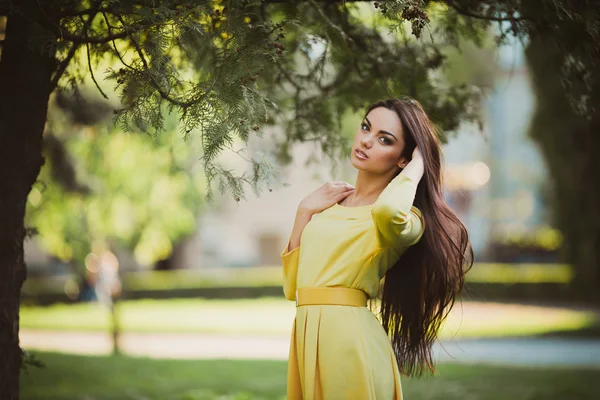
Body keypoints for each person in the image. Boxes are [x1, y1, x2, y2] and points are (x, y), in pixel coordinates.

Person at [281, 97, 474, 399]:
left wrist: (421, 163)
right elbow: (293, 288)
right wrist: (304, 211)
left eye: (384, 140)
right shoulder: (329, 208)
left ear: (403, 159)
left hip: (349, 343)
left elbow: (387, 212)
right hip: (307, 336)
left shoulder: (406, 219)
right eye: (366, 128)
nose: (367, 141)